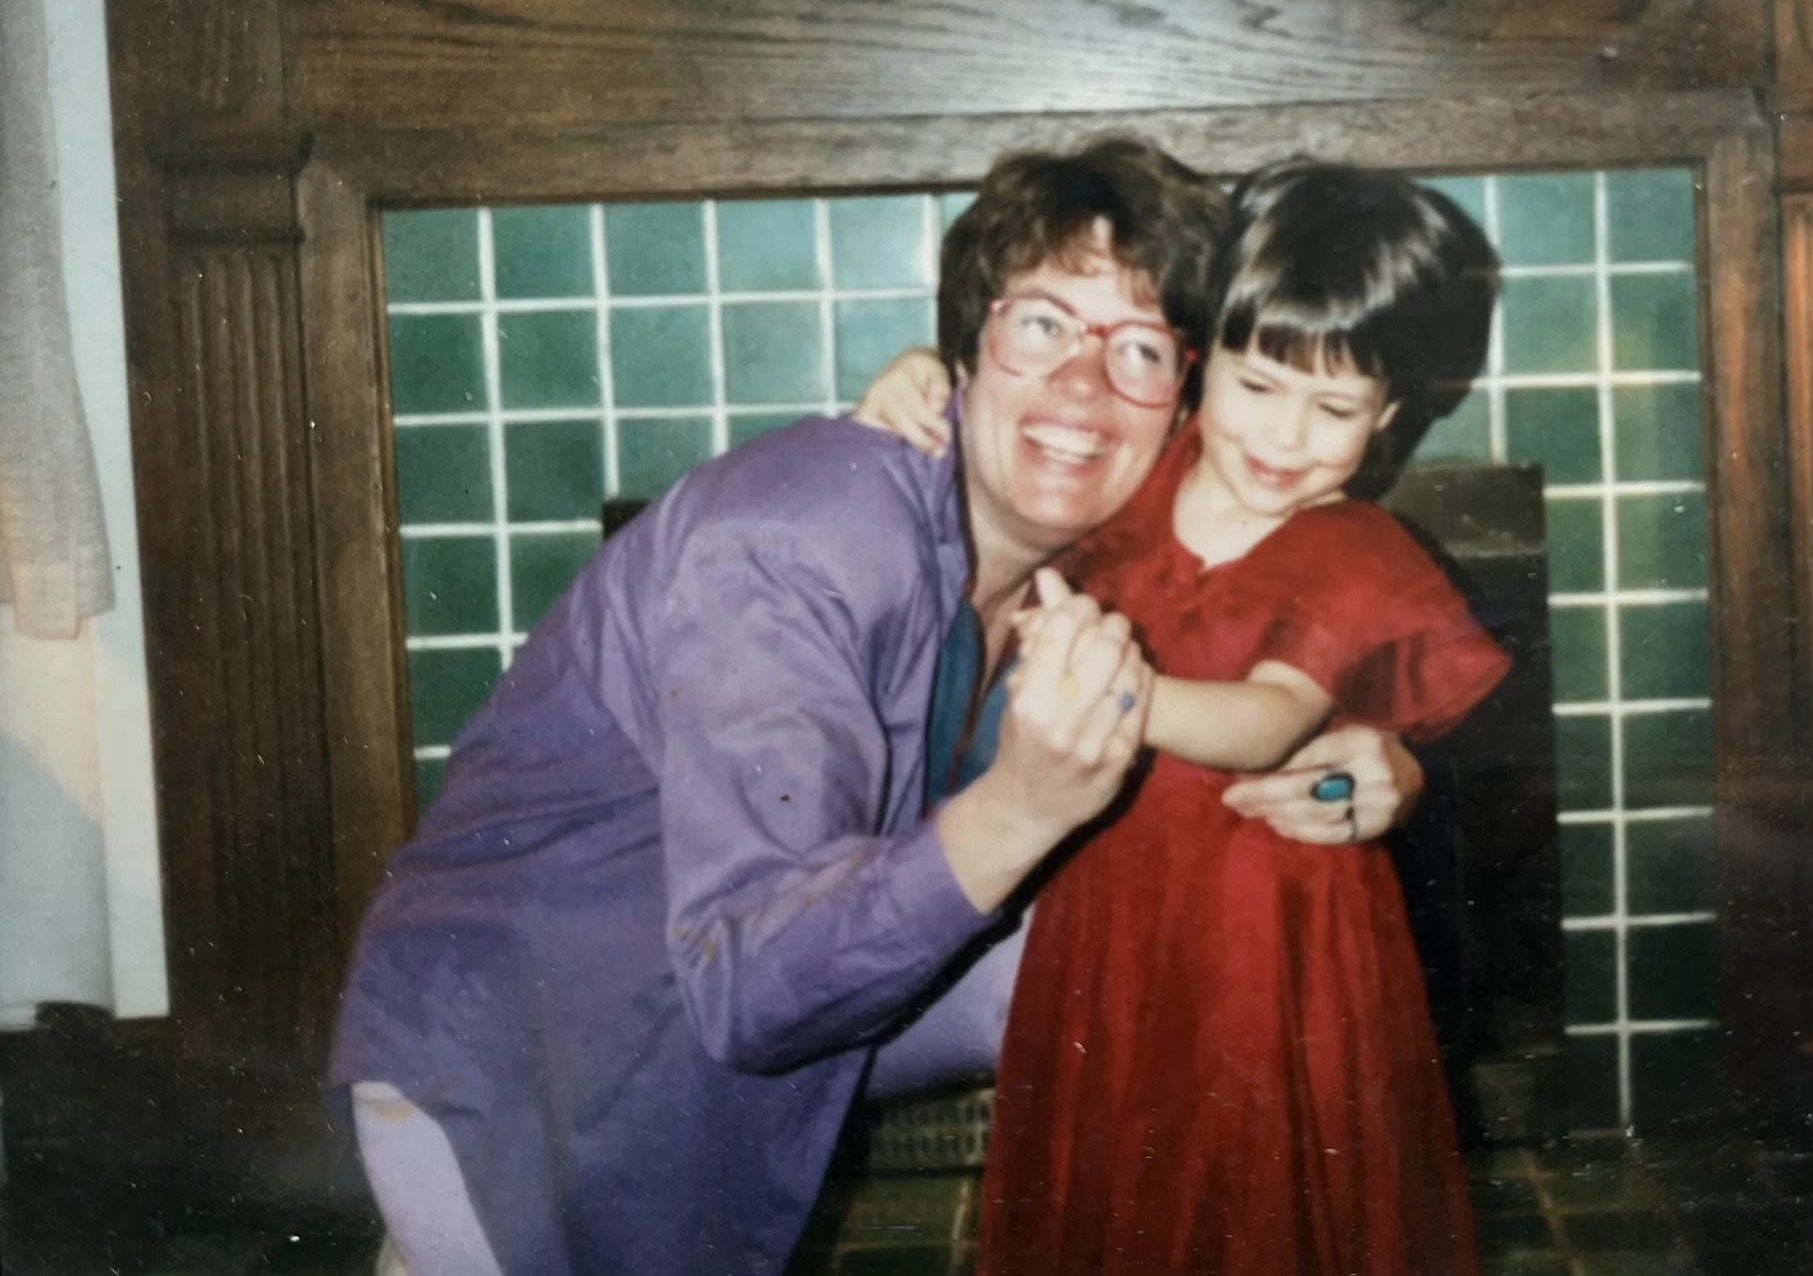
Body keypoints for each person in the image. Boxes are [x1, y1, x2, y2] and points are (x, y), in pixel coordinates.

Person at [328, 138, 1427, 1276]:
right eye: (1042, 324)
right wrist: (1024, 805)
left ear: (1178, 409)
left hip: (726, 1065)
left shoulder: (1095, 550)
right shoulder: (805, 536)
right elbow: (752, 987)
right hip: (522, 1085)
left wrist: (1362, 767)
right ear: (970, 347)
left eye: (1139, 350)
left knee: (1219, 890)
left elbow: (1289, 675)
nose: (1082, 388)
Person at [859, 160, 1509, 1275]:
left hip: (1274, 949)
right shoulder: (1141, 476)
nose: (1287, 437)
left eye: (1336, 408)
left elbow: (1266, 721)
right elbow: (1013, 434)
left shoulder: (1349, 549)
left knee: (1266, 1202)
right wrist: (920, 377)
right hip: (1104, 926)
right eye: (1259, 387)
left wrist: (1120, 693)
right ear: (1202, 369)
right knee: (1117, 1191)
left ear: (1390, 414)